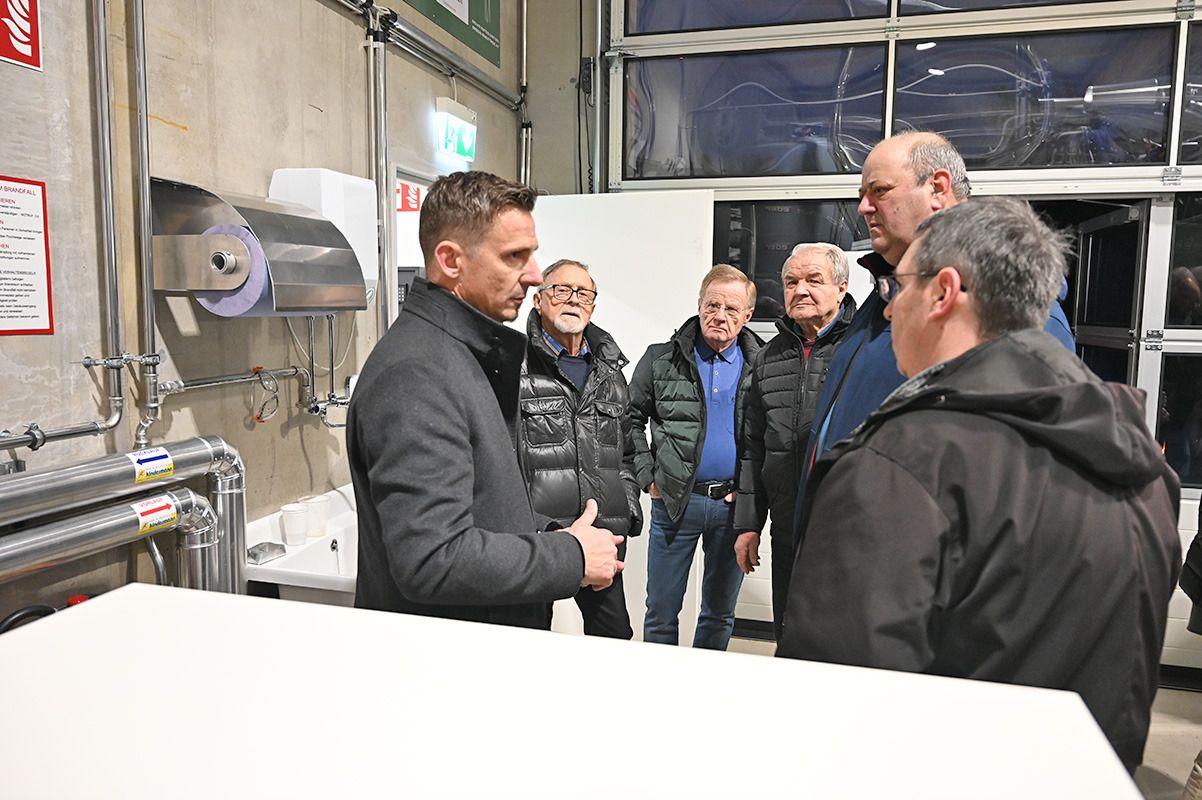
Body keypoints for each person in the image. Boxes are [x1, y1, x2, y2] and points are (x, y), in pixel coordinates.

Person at [777, 197, 1181, 774]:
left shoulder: (901, 465)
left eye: (898, 288)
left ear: (944, 293)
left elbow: (834, 706)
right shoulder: (1142, 468)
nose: (888, 310)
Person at [348, 170, 622, 630]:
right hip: (445, 659)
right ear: (450, 260)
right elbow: (432, 559)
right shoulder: (417, 372)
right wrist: (570, 556)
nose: (534, 275)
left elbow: (485, 498)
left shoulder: (461, 354)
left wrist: (554, 533)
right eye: (515, 256)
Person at [799, 132, 1075, 499]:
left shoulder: (1017, 320)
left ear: (938, 188)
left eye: (879, 191)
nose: (863, 207)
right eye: (862, 194)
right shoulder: (884, 295)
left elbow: (1018, 492)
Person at [629, 265, 763, 649]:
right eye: (712, 305)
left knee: (719, 613)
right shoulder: (661, 359)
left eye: (731, 309)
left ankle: (705, 683)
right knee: (661, 611)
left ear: (747, 316)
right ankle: (660, 682)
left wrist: (751, 493)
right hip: (675, 503)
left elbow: (769, 437)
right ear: (699, 305)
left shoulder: (762, 365)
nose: (720, 315)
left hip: (732, 508)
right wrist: (648, 476)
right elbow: (629, 419)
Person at [733, 243, 855, 640]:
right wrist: (749, 524)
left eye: (814, 280)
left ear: (841, 287)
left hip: (848, 530)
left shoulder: (864, 349)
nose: (800, 290)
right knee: (788, 632)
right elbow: (754, 447)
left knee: (843, 639)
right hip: (786, 527)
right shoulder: (768, 357)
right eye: (791, 282)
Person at [518, 258, 642, 639]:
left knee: (615, 642)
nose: (573, 299)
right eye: (561, 290)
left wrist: (626, 507)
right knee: (529, 642)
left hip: (602, 536)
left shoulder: (610, 372)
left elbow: (626, 452)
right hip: (541, 538)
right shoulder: (516, 367)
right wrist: (529, 525)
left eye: (583, 293)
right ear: (539, 300)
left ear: (593, 305)